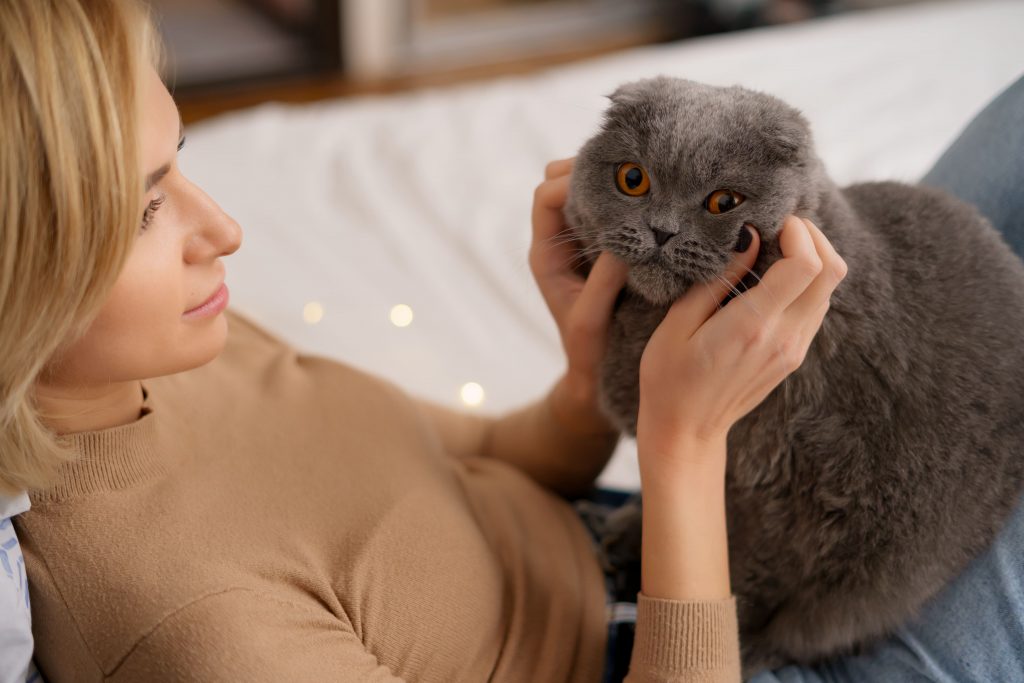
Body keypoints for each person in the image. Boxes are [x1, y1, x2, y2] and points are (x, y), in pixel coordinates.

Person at [0, 2, 1014, 683]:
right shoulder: (190, 623)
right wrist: (681, 448)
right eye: (143, 213)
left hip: (629, 537)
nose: (221, 228)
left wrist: (585, 374)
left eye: (179, 156)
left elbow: (486, 463)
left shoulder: (160, 346)